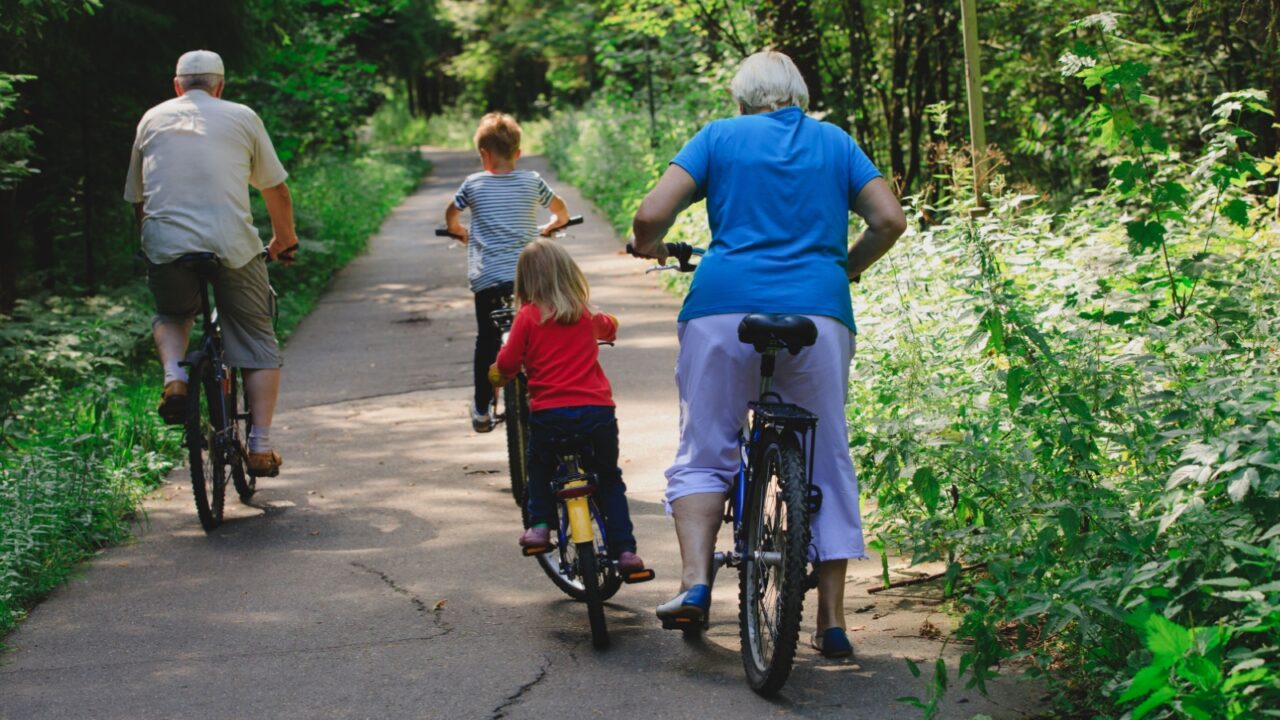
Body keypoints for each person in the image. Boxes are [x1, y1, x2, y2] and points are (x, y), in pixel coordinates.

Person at [629, 50, 906, 658]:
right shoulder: (835, 143)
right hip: (818, 315)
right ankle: (830, 622)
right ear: (798, 95)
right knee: (824, 453)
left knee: (706, 448)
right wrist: (845, 269)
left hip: (723, 313)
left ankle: (696, 585)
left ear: (741, 98)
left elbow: (652, 213)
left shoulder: (718, 138)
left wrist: (646, 244)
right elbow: (889, 219)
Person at [124, 49, 298, 477]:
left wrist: (153, 246)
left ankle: (175, 376)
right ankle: (259, 446)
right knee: (257, 336)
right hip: (232, 245)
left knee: (172, 312)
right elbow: (275, 189)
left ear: (177, 85)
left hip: (167, 244)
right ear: (220, 86)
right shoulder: (241, 116)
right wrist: (285, 240)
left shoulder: (151, 119)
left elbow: (140, 202)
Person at [489, 239, 645, 573]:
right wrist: (608, 321)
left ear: (525, 281)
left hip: (550, 416)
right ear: (568, 273)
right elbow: (611, 328)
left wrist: (500, 373)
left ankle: (541, 526)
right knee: (609, 478)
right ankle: (626, 551)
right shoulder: (585, 313)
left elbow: (508, 360)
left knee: (540, 469)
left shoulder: (527, 317)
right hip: (597, 414)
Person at [445, 112, 571, 432]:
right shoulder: (531, 181)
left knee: (487, 340)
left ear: (483, 155)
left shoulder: (472, 184)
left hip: (488, 279)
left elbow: (452, 212)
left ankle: (482, 408)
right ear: (518, 153)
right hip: (530, 278)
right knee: (543, 333)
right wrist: (554, 226)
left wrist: (458, 230)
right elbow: (560, 210)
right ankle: (553, 395)